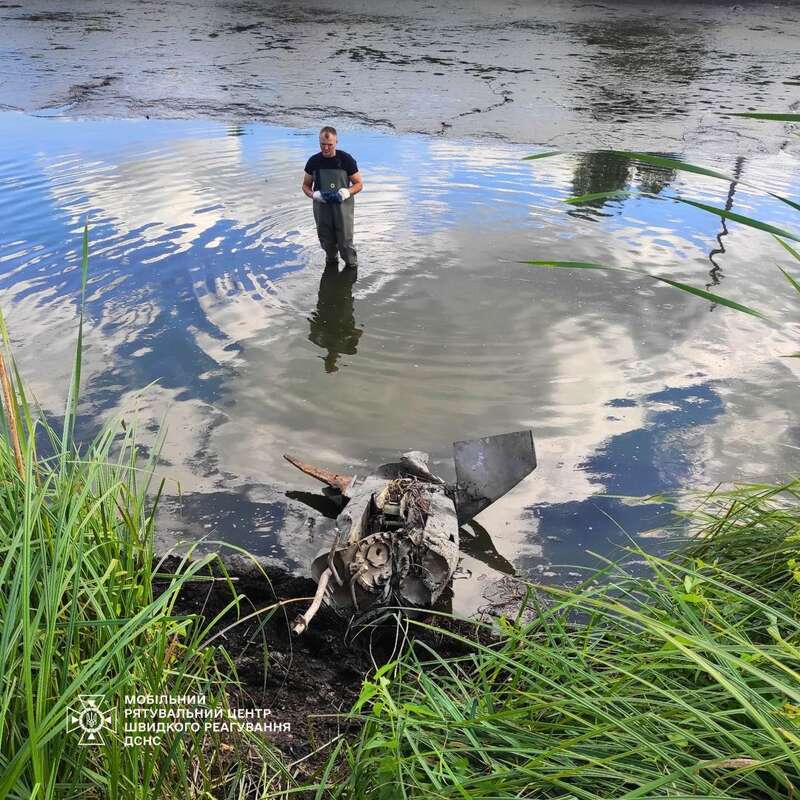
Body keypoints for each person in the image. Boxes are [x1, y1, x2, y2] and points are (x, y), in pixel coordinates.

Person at [302, 126, 363, 269]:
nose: (326, 148)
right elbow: (305, 185)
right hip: (322, 208)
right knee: (327, 242)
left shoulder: (346, 160)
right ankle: (331, 267)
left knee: (345, 243)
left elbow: (359, 184)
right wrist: (313, 195)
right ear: (319, 142)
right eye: (323, 144)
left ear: (336, 142)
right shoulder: (314, 161)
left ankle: (351, 268)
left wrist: (347, 192)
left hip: (343, 209)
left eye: (330, 144)